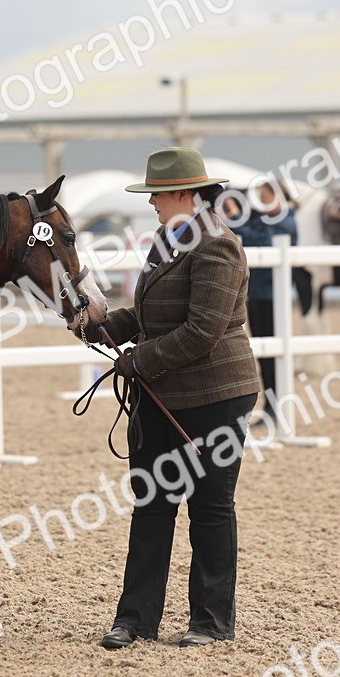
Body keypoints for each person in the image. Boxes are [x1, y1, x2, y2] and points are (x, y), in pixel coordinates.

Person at [81, 146, 261, 649]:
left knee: (209, 506)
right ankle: (135, 619)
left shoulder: (217, 245)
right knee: (152, 504)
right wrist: (105, 325)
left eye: (158, 195)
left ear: (185, 193)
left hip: (217, 395)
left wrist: (137, 361)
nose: (153, 205)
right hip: (163, 393)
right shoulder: (169, 239)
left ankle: (210, 622)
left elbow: (204, 329)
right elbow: (154, 315)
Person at [223, 182, 297, 425]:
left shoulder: (284, 223)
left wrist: (234, 215)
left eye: (264, 197)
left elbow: (255, 241)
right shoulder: (269, 220)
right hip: (261, 296)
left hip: (271, 297)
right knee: (266, 355)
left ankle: (276, 408)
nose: (260, 202)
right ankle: (272, 408)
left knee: (272, 356)